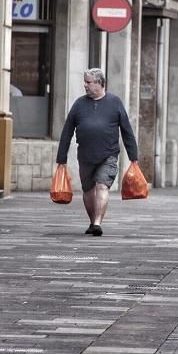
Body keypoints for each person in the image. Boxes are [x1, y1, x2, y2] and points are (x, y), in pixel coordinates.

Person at [56, 68, 139, 237]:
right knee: (87, 189)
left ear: (100, 83)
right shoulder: (79, 104)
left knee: (102, 185)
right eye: (85, 81)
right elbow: (67, 131)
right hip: (85, 155)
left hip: (108, 154)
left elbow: (126, 130)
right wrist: (61, 158)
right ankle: (92, 220)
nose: (85, 85)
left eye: (88, 82)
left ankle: (97, 223)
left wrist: (133, 157)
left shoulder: (115, 102)